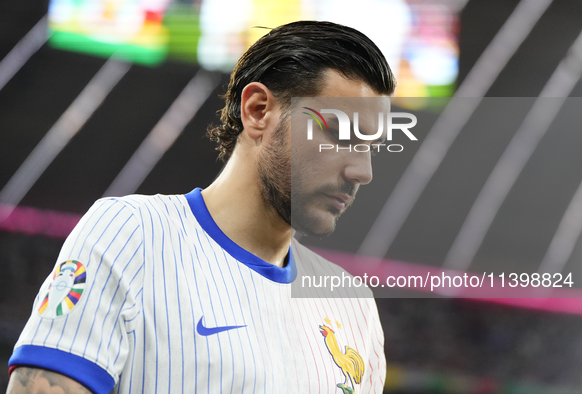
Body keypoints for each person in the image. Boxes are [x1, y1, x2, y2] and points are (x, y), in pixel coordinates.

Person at [7, 21, 395, 394]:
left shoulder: (352, 304)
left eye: (372, 148)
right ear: (258, 110)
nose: (363, 171)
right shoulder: (132, 233)